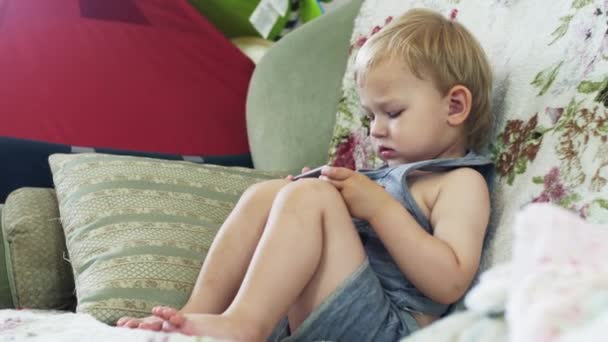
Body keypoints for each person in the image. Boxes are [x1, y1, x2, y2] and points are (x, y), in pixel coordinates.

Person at [117, 8, 493, 341]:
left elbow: (451, 281)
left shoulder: (459, 182)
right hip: (334, 311)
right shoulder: (384, 175)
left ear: (455, 106)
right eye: (369, 117)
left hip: (389, 327)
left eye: (392, 113)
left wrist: (377, 208)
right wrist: (313, 199)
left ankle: (245, 324)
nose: (375, 130)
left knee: (311, 198)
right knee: (269, 194)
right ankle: (197, 313)